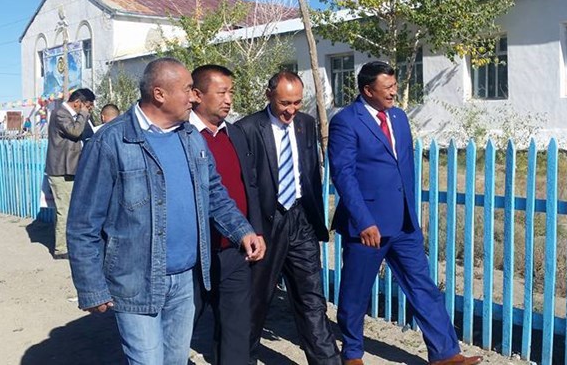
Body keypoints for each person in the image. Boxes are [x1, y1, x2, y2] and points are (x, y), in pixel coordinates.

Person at [67, 58, 266, 364]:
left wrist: (242, 230)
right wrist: (91, 286)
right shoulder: (111, 141)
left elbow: (214, 193)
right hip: (135, 280)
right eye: (187, 89)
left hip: (185, 279)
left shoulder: (190, 137)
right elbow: (83, 223)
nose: (193, 97)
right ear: (159, 94)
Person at [328, 61, 482, 365]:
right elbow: (343, 175)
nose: (394, 92)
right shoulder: (346, 121)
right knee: (356, 293)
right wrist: (363, 220)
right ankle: (352, 353)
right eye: (387, 88)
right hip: (368, 226)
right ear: (367, 90)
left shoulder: (398, 117)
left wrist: (411, 213)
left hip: (403, 224)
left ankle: (445, 354)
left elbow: (404, 168)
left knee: (423, 287)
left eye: (395, 86)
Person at [237, 71, 339, 365]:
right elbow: (246, 184)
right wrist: (251, 229)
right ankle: (241, 357)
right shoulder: (247, 129)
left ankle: (327, 361)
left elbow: (310, 172)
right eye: (284, 103)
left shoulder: (305, 124)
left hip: (300, 219)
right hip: (265, 225)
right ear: (269, 95)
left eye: (297, 102)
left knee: (312, 299)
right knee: (256, 300)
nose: (291, 110)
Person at [189, 65, 263, 364]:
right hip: (194, 253)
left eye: (231, 92)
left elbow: (250, 185)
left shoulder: (235, 133)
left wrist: (254, 230)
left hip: (234, 249)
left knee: (236, 329)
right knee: (181, 327)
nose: (229, 99)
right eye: (221, 93)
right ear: (196, 95)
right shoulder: (181, 135)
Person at [44, 88, 95, 260]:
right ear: (78, 102)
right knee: (64, 210)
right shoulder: (60, 114)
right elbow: (75, 132)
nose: (88, 110)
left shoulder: (71, 115)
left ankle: (67, 244)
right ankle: (61, 249)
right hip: (60, 170)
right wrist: (83, 114)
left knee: (69, 209)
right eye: (87, 106)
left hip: (70, 169)